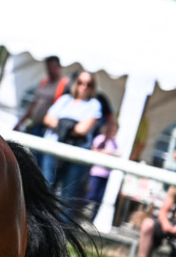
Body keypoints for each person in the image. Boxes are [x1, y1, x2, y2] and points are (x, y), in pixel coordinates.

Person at [42, 71, 102, 205]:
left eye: (89, 84)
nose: (84, 86)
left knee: (67, 197)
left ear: (93, 87)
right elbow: (47, 119)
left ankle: (61, 226)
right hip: (53, 149)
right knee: (45, 189)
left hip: (76, 154)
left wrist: (61, 124)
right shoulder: (65, 100)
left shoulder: (94, 104)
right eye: (81, 82)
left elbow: (82, 130)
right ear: (76, 83)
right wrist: (70, 126)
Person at [14, 55, 69, 166]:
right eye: (48, 67)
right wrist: (21, 122)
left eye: (53, 67)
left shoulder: (65, 84)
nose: (50, 70)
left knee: (40, 160)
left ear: (59, 67)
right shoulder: (44, 82)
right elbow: (34, 104)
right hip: (35, 125)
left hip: (49, 130)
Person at [85, 111, 118, 219]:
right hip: (97, 172)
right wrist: (108, 153)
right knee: (91, 195)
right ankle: (78, 212)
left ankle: (92, 220)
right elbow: (95, 150)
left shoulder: (114, 143)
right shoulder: (100, 138)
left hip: (107, 174)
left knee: (99, 199)